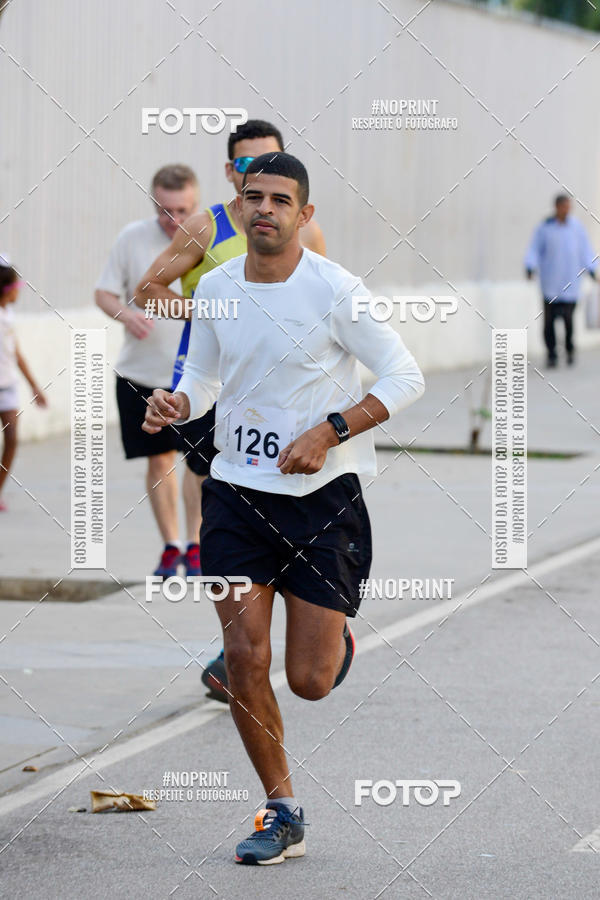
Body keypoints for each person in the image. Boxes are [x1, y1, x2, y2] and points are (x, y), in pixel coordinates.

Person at [142, 153, 425, 864]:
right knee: (243, 656)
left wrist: (330, 431)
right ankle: (281, 809)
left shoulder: (336, 291)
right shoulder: (217, 289)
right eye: (253, 197)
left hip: (321, 500)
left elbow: (405, 376)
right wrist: (179, 403)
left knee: (309, 681)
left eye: (280, 199)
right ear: (238, 207)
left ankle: (335, 645)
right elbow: (202, 377)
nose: (263, 208)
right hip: (235, 495)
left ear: (305, 215)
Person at [134, 120, 326, 699]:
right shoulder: (205, 225)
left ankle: (316, 626)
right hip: (211, 390)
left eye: (272, 165)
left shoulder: (307, 234)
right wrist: (206, 313)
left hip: (286, 400)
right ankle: (238, 642)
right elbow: (147, 291)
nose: (261, 181)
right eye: (247, 170)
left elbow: (330, 309)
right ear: (229, 173)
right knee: (225, 509)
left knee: (283, 508)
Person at [95, 164, 204, 577]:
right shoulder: (132, 238)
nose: (172, 219)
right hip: (140, 372)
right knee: (159, 462)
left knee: (197, 464)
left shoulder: (207, 234)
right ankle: (171, 546)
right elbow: (104, 293)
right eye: (164, 209)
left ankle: (196, 545)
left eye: (181, 209)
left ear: (194, 203)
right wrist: (128, 316)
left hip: (194, 376)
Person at [525, 194, 597, 367]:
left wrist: (593, 270)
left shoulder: (576, 228)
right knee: (549, 322)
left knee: (568, 319)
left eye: (568, 207)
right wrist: (530, 266)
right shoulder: (545, 228)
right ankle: (551, 353)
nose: (566, 210)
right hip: (551, 284)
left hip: (571, 283)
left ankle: (570, 348)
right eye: (563, 206)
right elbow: (534, 249)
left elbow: (585, 250)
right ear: (557, 207)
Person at [0, 262, 47, 511]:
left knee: (11, 438)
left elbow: (16, 354)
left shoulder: (8, 315)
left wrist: (34, 387)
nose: (19, 292)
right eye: (17, 286)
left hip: (7, 387)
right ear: (7, 289)